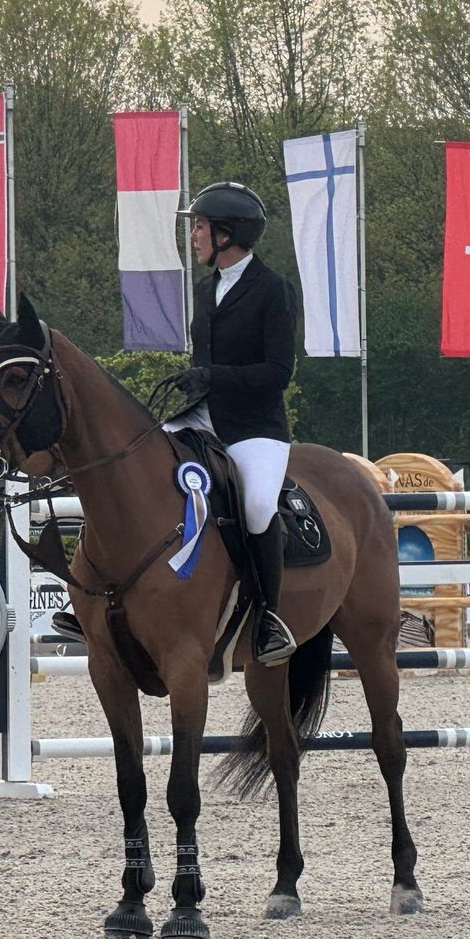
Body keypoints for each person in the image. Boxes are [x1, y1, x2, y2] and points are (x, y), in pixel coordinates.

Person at [165, 182, 299, 666]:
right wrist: (193, 383)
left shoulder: (272, 290)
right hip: (204, 415)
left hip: (255, 426)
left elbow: (278, 373)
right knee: (138, 464)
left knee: (259, 506)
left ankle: (268, 618)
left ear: (227, 234)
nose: (194, 236)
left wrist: (213, 376)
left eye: (200, 227)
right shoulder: (206, 290)